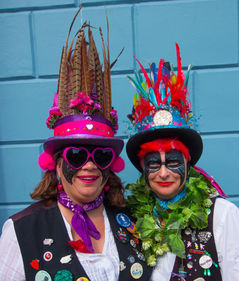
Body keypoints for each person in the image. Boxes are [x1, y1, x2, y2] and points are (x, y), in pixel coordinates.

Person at [0, 9, 152, 281]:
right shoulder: (22, 230)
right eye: (77, 155)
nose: (90, 164)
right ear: (57, 165)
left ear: (111, 166)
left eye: (101, 155)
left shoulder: (134, 223)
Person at [125, 43, 239, 281]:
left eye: (172, 161)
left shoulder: (222, 216)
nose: (163, 173)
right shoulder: (130, 221)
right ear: (143, 168)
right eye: (153, 163)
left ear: (187, 162)